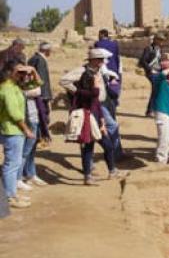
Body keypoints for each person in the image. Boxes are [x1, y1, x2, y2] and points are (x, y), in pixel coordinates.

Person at [62, 49, 122, 184]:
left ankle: (108, 171)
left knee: (102, 143)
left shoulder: (97, 71)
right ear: (93, 60)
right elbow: (64, 81)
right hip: (87, 112)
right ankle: (91, 175)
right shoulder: (83, 72)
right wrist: (79, 92)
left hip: (97, 109)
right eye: (100, 59)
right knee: (91, 144)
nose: (102, 62)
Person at [0, 61, 33, 208]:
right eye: (20, 72)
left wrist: (30, 71)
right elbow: (14, 113)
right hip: (12, 130)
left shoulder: (14, 86)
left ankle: (12, 194)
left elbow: (37, 83)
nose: (23, 75)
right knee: (11, 165)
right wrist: (26, 129)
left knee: (14, 163)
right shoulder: (7, 89)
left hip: (14, 130)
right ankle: (9, 197)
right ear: (10, 72)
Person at [17, 64, 46, 190]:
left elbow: (40, 82)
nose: (27, 75)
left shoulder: (29, 83)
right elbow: (38, 89)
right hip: (26, 121)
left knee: (32, 150)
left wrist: (33, 70)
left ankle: (30, 174)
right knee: (24, 151)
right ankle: (18, 178)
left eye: (27, 73)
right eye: (23, 73)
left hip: (34, 119)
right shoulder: (18, 86)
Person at [150, 67, 169, 164]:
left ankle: (165, 157)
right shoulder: (160, 82)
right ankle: (160, 159)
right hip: (162, 112)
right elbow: (160, 76)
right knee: (163, 137)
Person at [27, 42, 53, 143]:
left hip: (33, 92)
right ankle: (40, 137)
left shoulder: (33, 58)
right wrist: (46, 96)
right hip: (40, 94)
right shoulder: (40, 60)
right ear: (47, 51)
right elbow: (42, 80)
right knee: (42, 116)